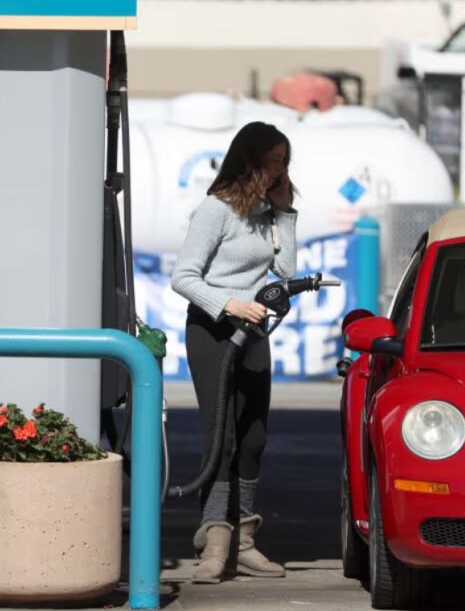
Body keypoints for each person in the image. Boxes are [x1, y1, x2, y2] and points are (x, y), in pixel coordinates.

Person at [170, 122, 298, 584]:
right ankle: (214, 541)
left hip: (253, 333)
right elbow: (183, 277)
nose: (282, 170)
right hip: (213, 331)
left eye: (285, 161)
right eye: (275, 161)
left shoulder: (268, 215)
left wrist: (285, 213)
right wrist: (229, 304)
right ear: (251, 161)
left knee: (254, 436)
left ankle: (243, 541)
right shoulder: (215, 210)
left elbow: (285, 272)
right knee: (220, 439)